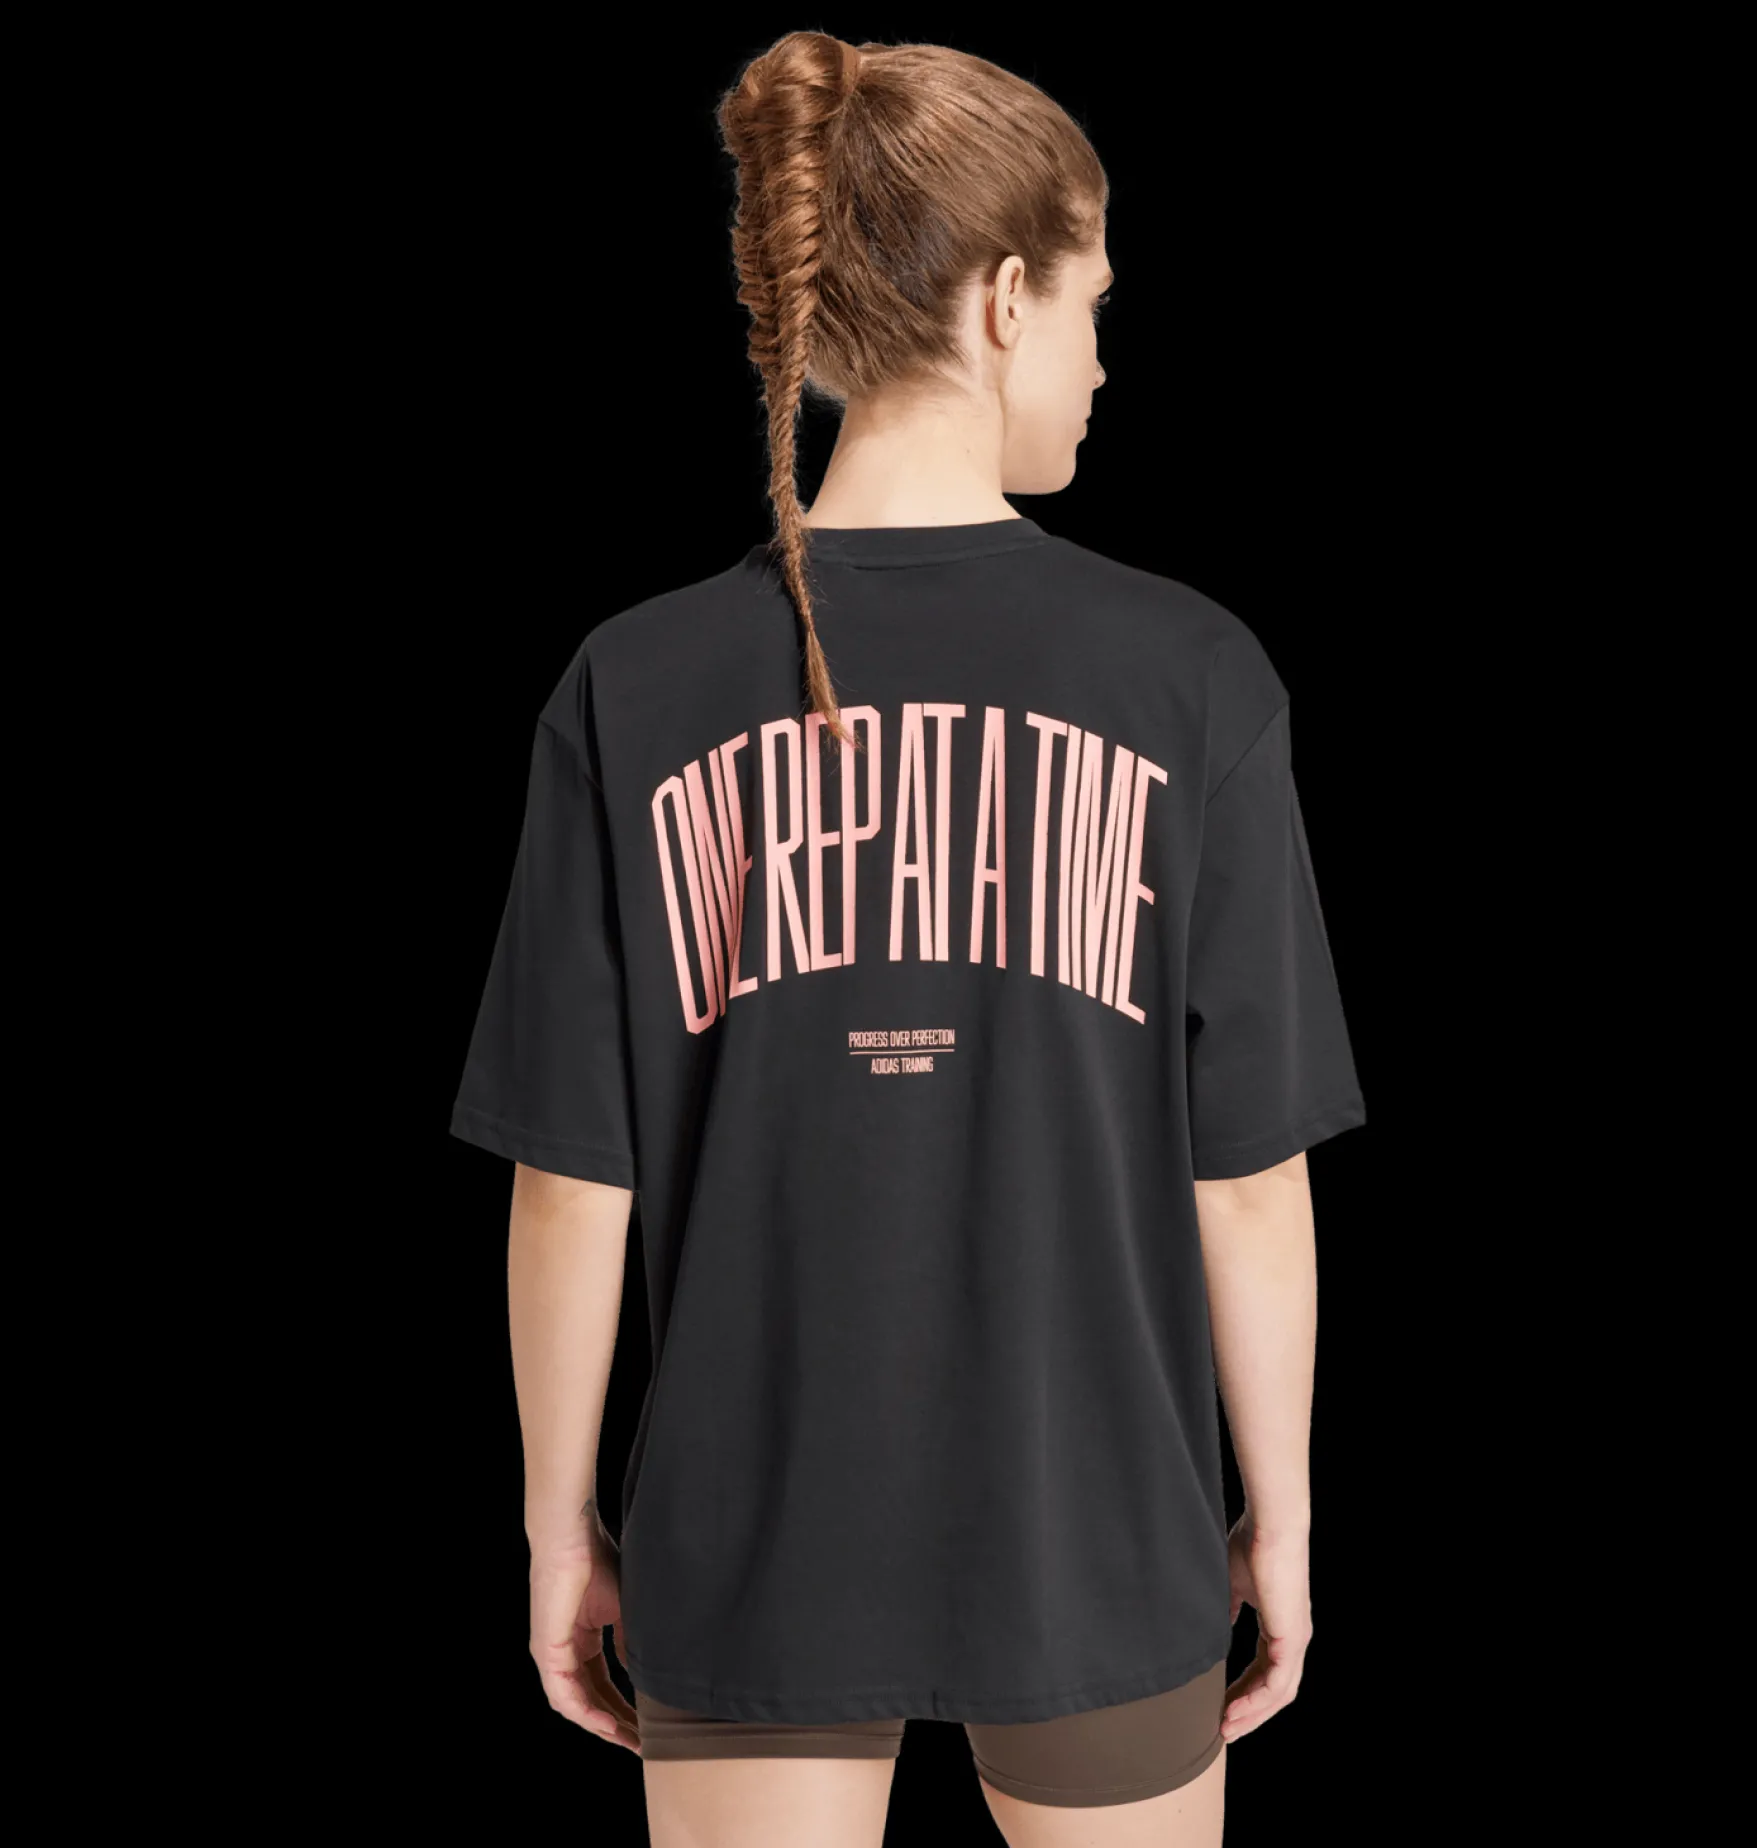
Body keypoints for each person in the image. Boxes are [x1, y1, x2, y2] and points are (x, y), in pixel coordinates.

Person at [450, 29, 1366, 1848]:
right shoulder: (1191, 678)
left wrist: (560, 1528)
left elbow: (571, 1182)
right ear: (1008, 298)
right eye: (1098, 306)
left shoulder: (634, 680)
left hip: (749, 1540)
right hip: (1100, 1534)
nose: (1102, 363)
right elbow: (1249, 1178)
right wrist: (1284, 1515)